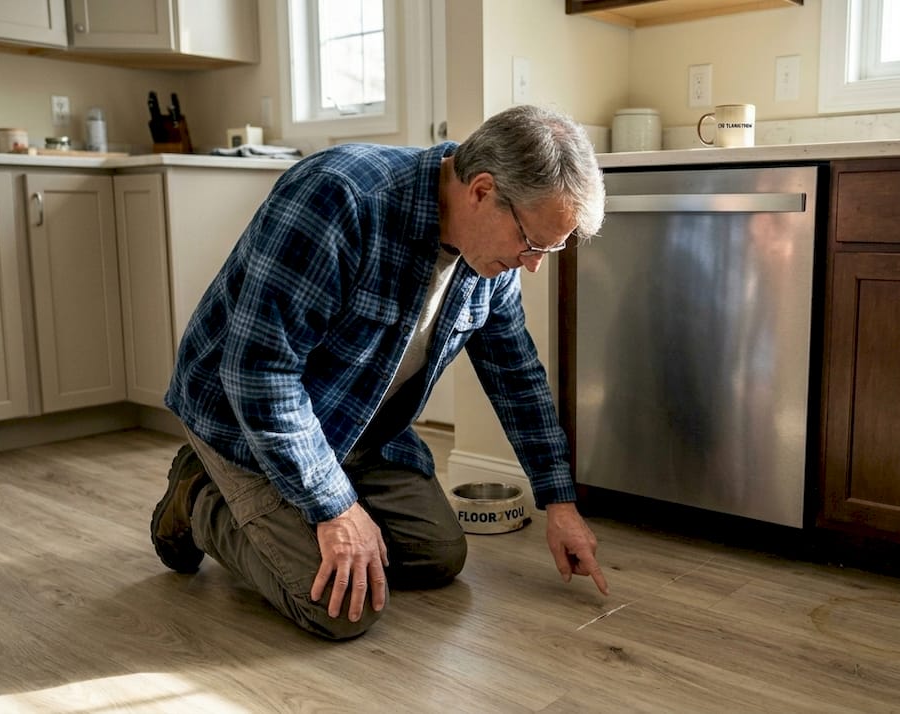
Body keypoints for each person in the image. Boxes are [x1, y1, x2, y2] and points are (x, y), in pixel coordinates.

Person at [150, 104, 609, 640]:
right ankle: (199, 494)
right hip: (243, 419)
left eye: (549, 251)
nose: (534, 264)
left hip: (353, 424)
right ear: (482, 192)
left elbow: (517, 376)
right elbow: (259, 374)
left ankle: (303, 511)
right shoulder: (338, 197)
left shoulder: (492, 257)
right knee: (339, 610)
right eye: (532, 244)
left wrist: (558, 501)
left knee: (439, 555)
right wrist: (335, 509)